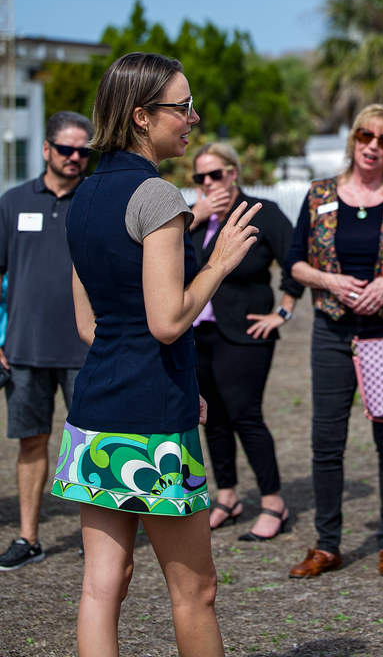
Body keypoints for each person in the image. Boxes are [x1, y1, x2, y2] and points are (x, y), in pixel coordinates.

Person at [49, 53, 261, 657]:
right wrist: (218, 263)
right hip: (153, 424)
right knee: (195, 593)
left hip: (94, 413)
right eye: (183, 105)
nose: (193, 117)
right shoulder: (158, 198)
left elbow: (89, 323)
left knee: (101, 586)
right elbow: (168, 321)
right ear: (143, 117)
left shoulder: (84, 196)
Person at [286, 104, 383, 578]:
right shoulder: (319, 195)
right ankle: (327, 544)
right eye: (365, 135)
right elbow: (294, 263)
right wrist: (329, 282)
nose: (373, 145)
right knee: (326, 441)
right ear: (353, 139)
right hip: (332, 329)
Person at [190, 142, 303, 540]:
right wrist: (195, 217)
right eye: (200, 177)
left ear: (233, 173)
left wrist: (284, 311)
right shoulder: (193, 219)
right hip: (198, 333)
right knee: (212, 418)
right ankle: (227, 497)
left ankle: (274, 502)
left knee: (245, 415)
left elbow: (297, 259)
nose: (208, 183)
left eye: (215, 174)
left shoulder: (260, 212)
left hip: (245, 332)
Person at [0, 110, 93, 571]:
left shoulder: (95, 201)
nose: (75, 157)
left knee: (89, 445)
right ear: (46, 149)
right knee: (31, 443)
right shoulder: (13, 202)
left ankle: (95, 539)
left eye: (83, 151)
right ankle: (28, 537)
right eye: (66, 149)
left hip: (87, 348)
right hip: (25, 349)